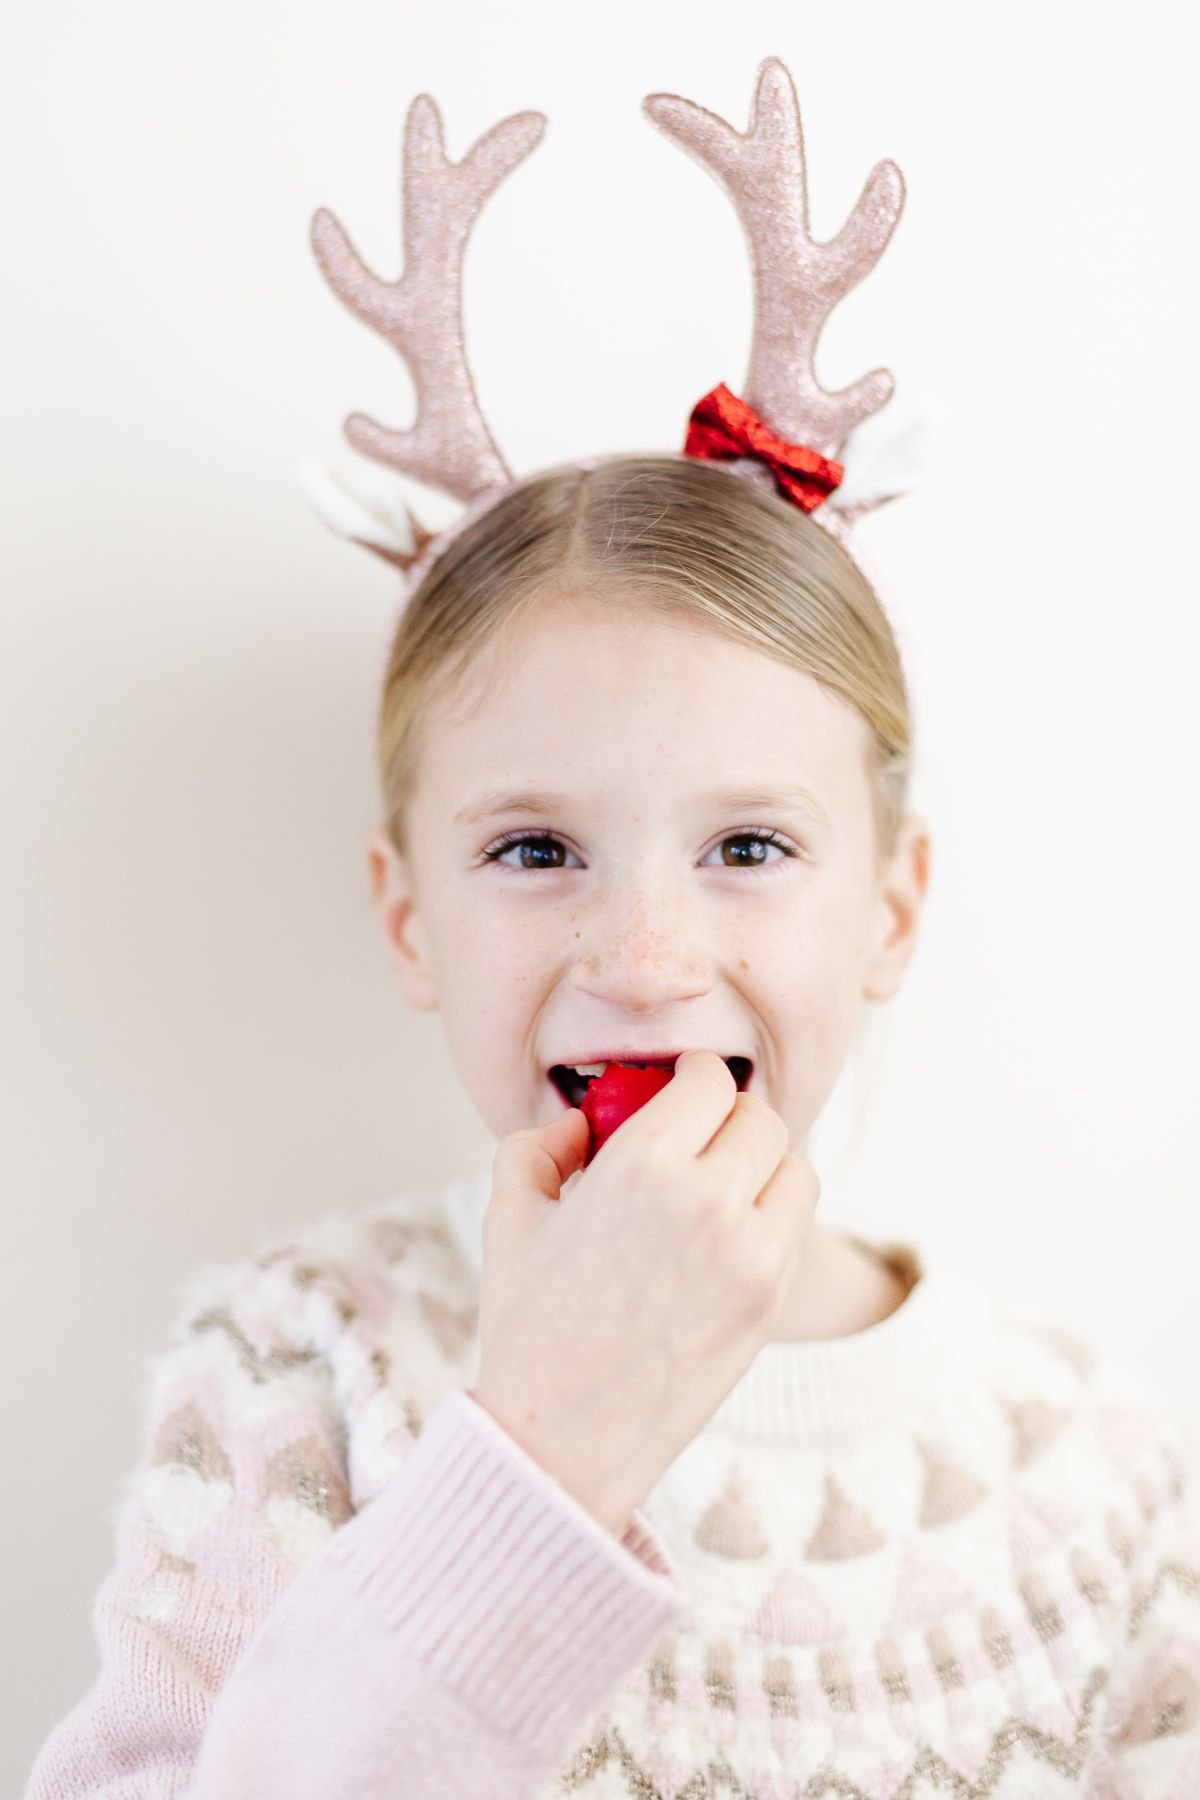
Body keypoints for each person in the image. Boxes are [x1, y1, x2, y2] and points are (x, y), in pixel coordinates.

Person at [25, 56, 1199, 1800]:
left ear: (891, 909)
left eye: (745, 843)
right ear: (409, 920)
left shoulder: (1099, 1481)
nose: (644, 958)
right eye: (533, 850)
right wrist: (545, 1448)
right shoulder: (297, 1377)